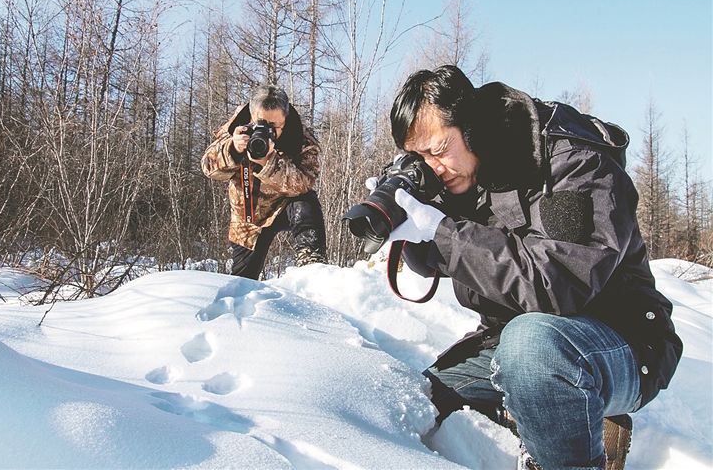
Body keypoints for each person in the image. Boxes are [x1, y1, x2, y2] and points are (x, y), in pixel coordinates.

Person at [385, 65, 682, 469]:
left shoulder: (574, 162)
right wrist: (408, 219)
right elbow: (440, 263)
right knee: (419, 403)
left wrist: (443, 232)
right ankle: (568, 419)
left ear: (471, 128)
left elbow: (557, 286)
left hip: (623, 340)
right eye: (417, 156)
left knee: (533, 347)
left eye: (437, 151)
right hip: (511, 346)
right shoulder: (464, 173)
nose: (432, 166)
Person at [201, 85, 327, 279]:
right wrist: (233, 149)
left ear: (285, 119)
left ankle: (312, 263)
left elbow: (305, 182)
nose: (266, 131)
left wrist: (269, 163)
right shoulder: (236, 128)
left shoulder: (301, 137)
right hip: (248, 218)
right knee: (241, 282)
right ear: (251, 116)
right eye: (260, 123)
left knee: (306, 201)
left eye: (274, 126)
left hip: (284, 205)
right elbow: (208, 168)